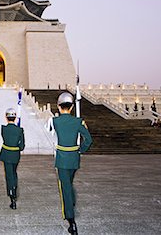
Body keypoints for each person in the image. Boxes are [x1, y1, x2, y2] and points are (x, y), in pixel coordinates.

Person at [48, 92, 92, 235]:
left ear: (58, 107)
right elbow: (88, 140)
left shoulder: (54, 121)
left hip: (62, 158)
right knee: (69, 183)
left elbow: (48, 130)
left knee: (65, 187)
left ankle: (71, 220)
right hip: (74, 158)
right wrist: (80, 150)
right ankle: (71, 202)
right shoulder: (79, 122)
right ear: (72, 107)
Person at [0, 108, 25, 209]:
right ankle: (14, 189)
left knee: (9, 175)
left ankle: (12, 196)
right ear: (15, 118)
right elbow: (22, 146)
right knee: (14, 174)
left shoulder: (3, 128)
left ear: (6, 117)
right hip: (15, 155)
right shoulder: (20, 130)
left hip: (6, 154)